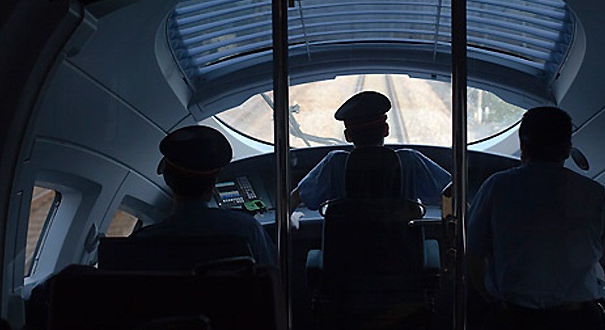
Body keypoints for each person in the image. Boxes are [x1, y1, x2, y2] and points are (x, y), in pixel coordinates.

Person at [467, 106, 605, 330]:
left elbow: (473, 256)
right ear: (567, 148)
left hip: (515, 325)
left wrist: (493, 301)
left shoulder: (497, 187)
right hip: (578, 328)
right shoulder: (594, 194)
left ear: (523, 146)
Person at [132, 125, 277, 266]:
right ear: (214, 183)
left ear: (167, 179)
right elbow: (272, 278)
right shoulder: (246, 228)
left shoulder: (143, 241)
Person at [290, 91, 451, 210]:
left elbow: (295, 198)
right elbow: (451, 192)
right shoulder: (409, 160)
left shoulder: (335, 163)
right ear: (386, 129)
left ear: (348, 136)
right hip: (403, 254)